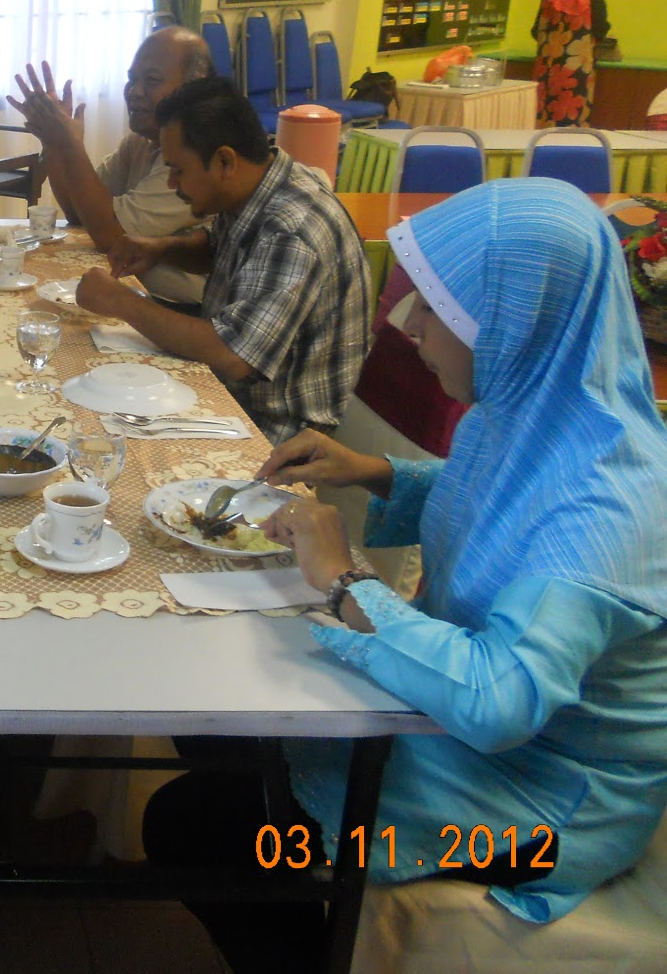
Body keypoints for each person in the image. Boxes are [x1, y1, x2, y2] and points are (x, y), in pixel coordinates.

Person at [144, 178, 667, 970]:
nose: (408, 325)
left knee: (194, 825)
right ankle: (293, 844)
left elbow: (501, 702)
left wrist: (347, 585)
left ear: (513, 322)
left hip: (532, 810)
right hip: (475, 743)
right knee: (216, 717)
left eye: (435, 308)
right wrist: (373, 471)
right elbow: (485, 507)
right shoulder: (538, 411)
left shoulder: (602, 513)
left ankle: (315, 941)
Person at [31, 76, 369, 443]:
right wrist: (162, 249)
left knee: (90, 439)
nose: (174, 184)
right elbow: (221, 247)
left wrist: (120, 301)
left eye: (179, 170)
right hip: (229, 390)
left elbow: (233, 353)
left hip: (273, 430)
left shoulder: (293, 228)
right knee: (77, 393)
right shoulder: (256, 181)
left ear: (224, 161)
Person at [8, 27, 214, 305]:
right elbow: (79, 212)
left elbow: (109, 235)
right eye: (131, 79)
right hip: (134, 292)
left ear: (194, 88)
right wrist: (54, 143)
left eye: (151, 80)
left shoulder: (194, 154)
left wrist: (70, 145)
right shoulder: (140, 141)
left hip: (177, 308)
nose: (135, 91)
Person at [531, 0, 611, 127]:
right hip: (577, 67)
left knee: (544, 109)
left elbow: (535, 30)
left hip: (548, 66)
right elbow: (600, 28)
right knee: (573, 109)